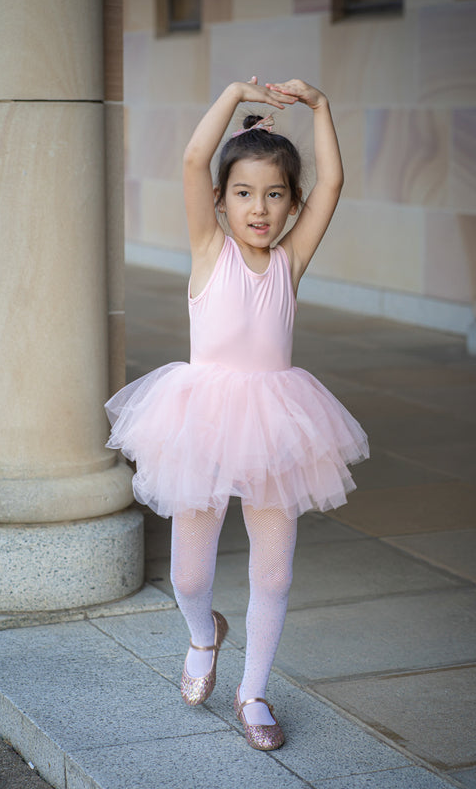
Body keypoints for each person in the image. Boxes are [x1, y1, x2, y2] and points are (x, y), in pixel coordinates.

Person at [105, 77, 368, 751]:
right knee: (190, 575)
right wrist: (230, 95)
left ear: (291, 205)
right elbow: (195, 159)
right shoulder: (207, 251)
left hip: (279, 424)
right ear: (220, 203)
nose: (260, 208)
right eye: (244, 193)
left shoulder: (289, 262)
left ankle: (253, 692)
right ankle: (203, 634)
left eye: (275, 194)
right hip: (200, 421)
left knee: (273, 571)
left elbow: (334, 184)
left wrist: (321, 107)